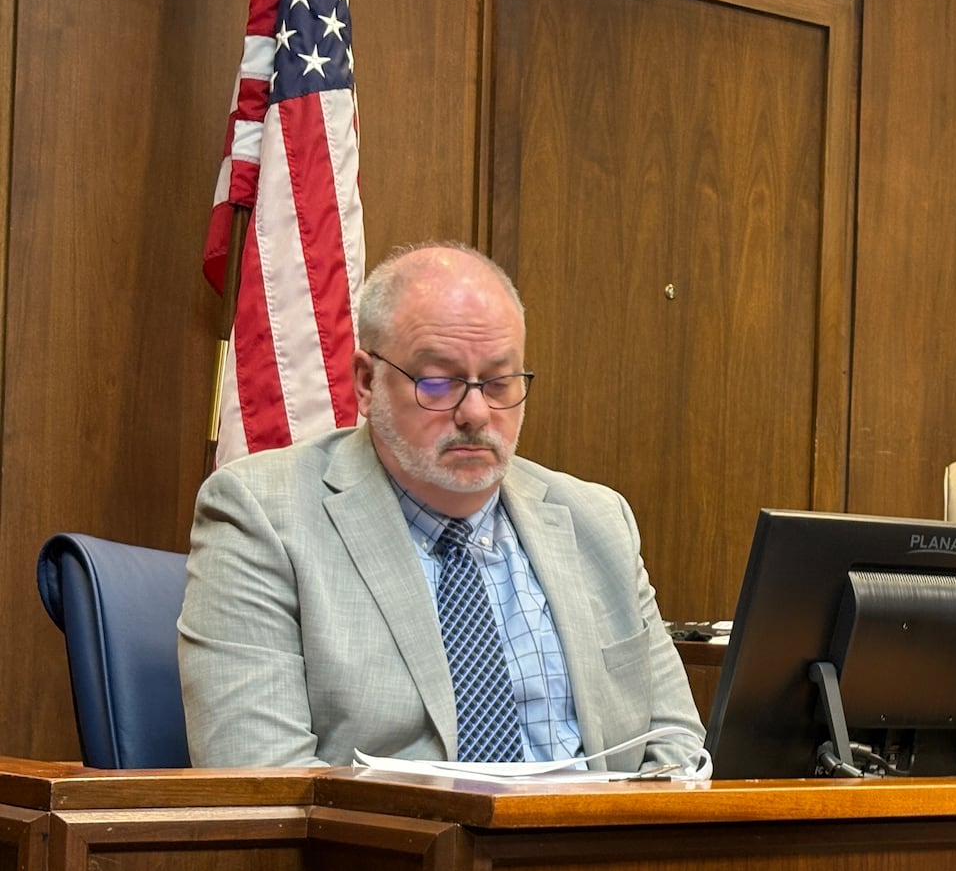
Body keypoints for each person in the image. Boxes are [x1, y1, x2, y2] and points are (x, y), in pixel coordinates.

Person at [178, 241, 704, 770]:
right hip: (389, 847)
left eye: (499, 383)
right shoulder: (263, 514)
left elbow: (676, 743)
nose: (476, 412)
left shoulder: (599, 519)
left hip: (589, 844)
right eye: (438, 382)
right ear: (366, 382)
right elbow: (262, 775)